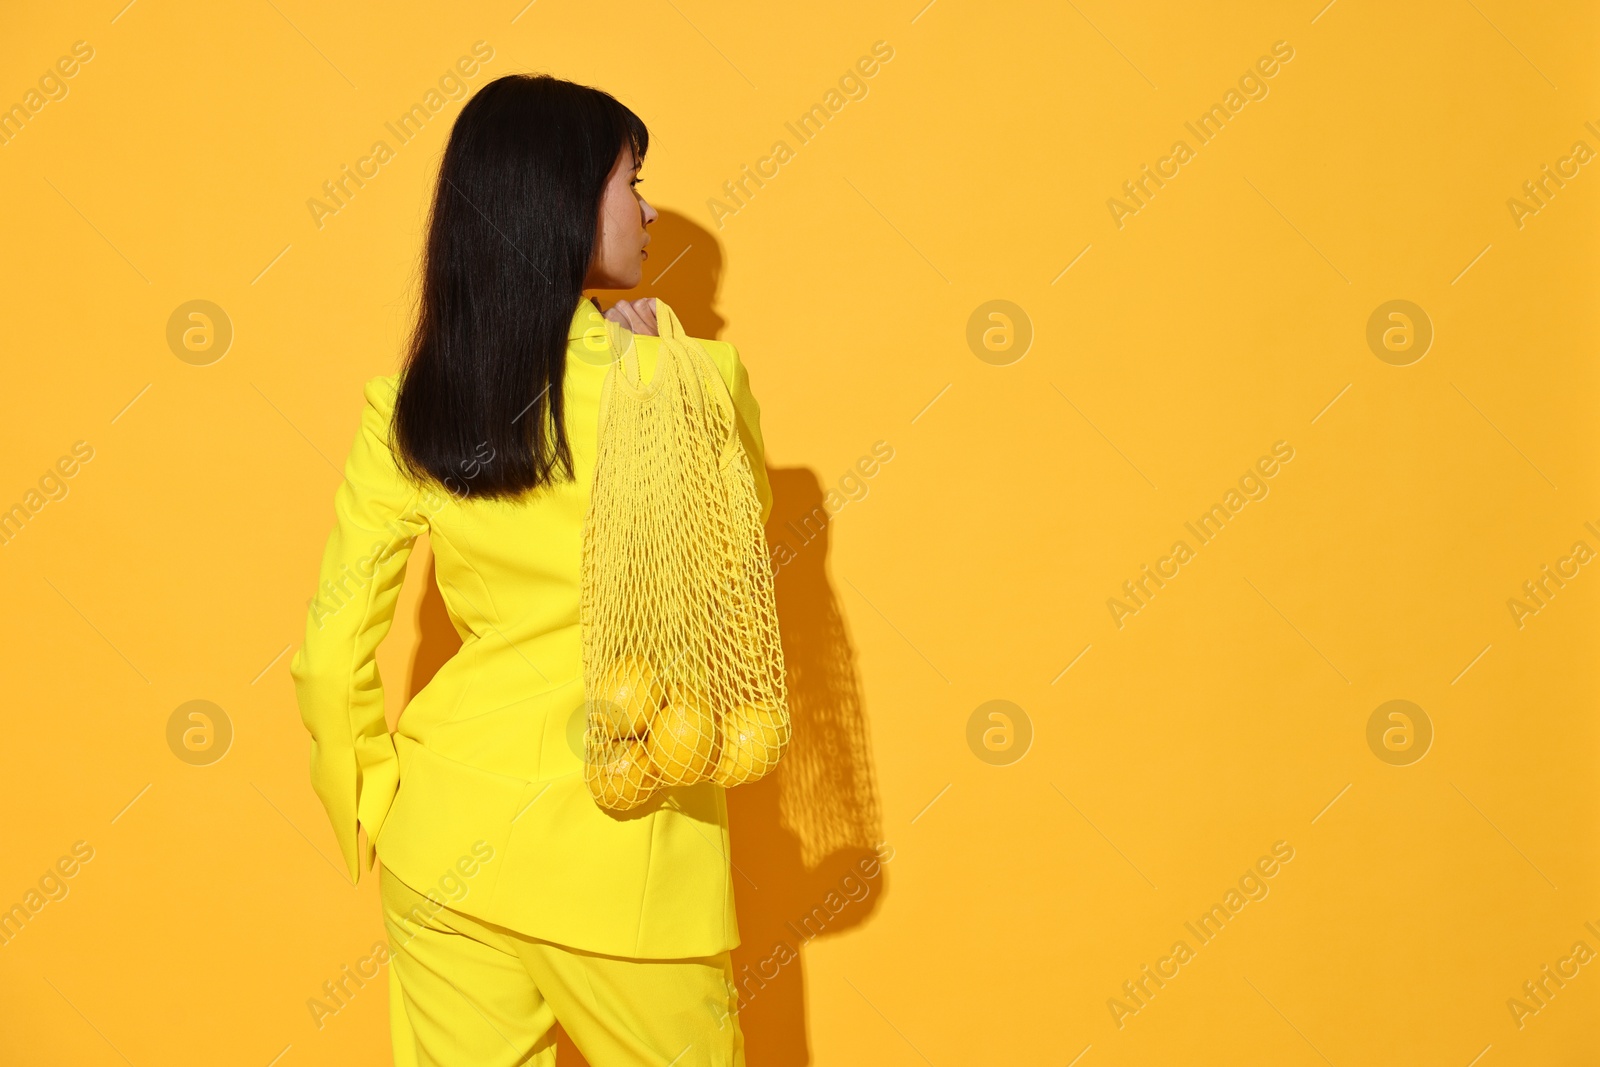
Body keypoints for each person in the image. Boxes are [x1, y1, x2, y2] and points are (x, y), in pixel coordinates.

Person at [289, 72, 772, 1066]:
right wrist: (663, 373)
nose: (645, 208)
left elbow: (331, 653)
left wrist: (376, 803)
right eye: (631, 180)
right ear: (559, 201)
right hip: (630, 844)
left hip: (444, 844)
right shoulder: (694, 379)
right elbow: (738, 548)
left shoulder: (408, 409)